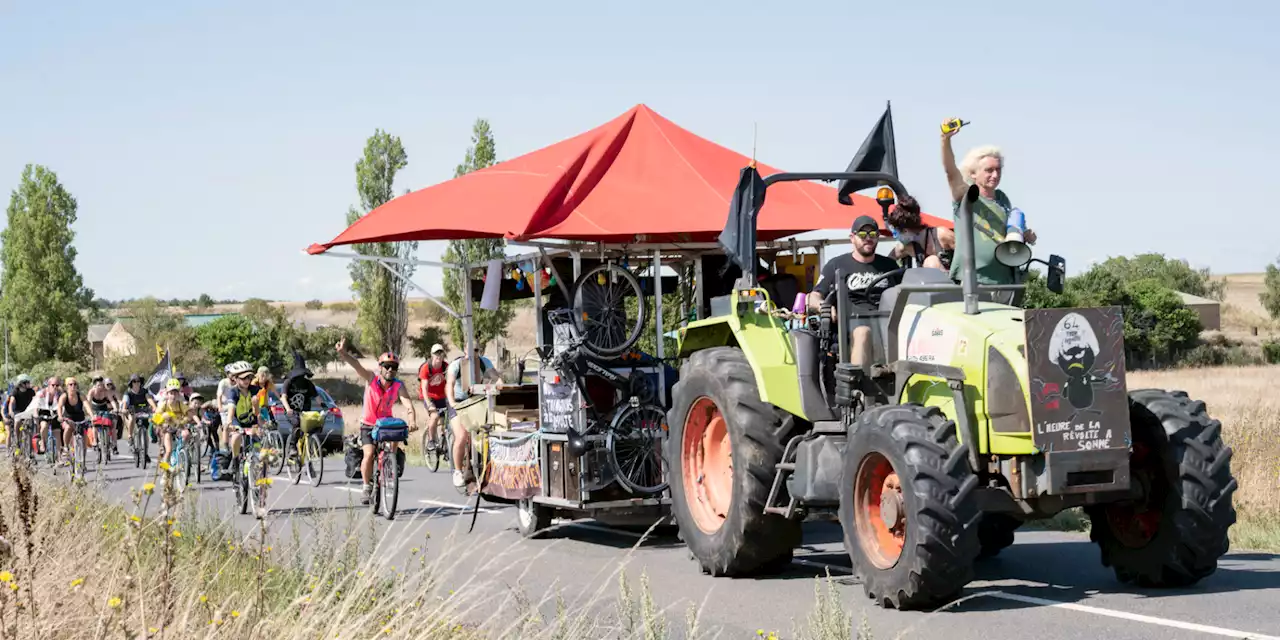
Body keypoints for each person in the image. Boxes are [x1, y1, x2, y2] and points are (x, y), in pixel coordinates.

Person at [940, 122, 1037, 288]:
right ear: (973, 173)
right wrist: (945, 140)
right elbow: (950, 171)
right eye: (989, 170)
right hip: (973, 282)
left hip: (1005, 282)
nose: (995, 174)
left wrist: (1026, 235)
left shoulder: (1003, 199)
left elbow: (1010, 233)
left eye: (998, 169)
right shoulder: (966, 195)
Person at [806, 215, 903, 376]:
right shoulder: (836, 265)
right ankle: (859, 391)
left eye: (872, 234)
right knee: (863, 332)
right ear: (852, 237)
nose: (868, 239)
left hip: (886, 326)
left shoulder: (889, 266)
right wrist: (824, 306)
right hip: (849, 329)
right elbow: (813, 296)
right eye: (862, 234)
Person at [334, 338, 418, 505]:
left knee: (396, 437)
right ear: (380, 367)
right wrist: (343, 354)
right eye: (386, 366)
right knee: (369, 453)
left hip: (385, 424)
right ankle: (366, 486)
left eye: (394, 367)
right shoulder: (372, 378)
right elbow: (357, 365)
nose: (390, 370)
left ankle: (390, 466)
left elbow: (408, 402)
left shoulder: (398, 385)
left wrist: (412, 419)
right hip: (368, 424)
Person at [445, 347, 500, 488]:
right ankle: (457, 471)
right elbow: (449, 384)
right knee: (462, 435)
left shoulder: (484, 362)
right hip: (458, 402)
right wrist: (452, 402)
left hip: (476, 400)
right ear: (464, 349)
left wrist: (500, 383)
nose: (473, 352)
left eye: (476, 349)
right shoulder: (456, 365)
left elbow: (495, 377)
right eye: (471, 349)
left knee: (486, 431)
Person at [884, 195, 954, 271]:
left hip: (955, 281)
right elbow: (888, 260)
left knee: (931, 262)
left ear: (905, 230)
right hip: (927, 281)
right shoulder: (907, 247)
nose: (895, 237)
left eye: (896, 232)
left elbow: (966, 252)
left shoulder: (942, 235)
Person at [417, 344, 450, 455]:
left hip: (442, 396)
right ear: (432, 355)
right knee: (434, 416)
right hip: (429, 396)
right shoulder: (426, 368)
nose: (439, 356)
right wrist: (429, 404)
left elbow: (450, 383)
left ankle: (445, 443)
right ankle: (431, 441)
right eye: (436, 353)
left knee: (446, 421)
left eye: (441, 353)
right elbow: (424, 388)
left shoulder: (446, 367)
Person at [152, 378, 191, 464]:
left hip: (179, 427)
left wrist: (185, 420)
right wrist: (163, 418)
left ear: (178, 394)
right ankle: (166, 472)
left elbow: (188, 414)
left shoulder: (180, 404)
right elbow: (155, 417)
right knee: (168, 451)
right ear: (167, 394)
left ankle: (183, 451)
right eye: (171, 393)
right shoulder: (164, 404)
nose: (173, 396)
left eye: (175, 393)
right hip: (167, 429)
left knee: (187, 434)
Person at [120, 374, 157, 459]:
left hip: (143, 411)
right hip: (131, 411)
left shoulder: (144, 391)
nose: (136, 383)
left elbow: (149, 399)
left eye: (138, 381)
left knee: (146, 430)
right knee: (132, 418)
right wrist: (124, 409)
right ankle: (130, 436)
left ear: (140, 382)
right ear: (131, 383)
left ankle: (145, 452)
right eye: (134, 381)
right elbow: (125, 402)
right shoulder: (128, 392)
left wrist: (154, 407)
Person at [56, 377, 89, 461]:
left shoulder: (80, 395)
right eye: (71, 384)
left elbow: (86, 405)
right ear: (67, 386)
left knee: (84, 441)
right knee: (68, 428)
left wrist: (92, 415)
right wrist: (60, 416)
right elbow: (59, 406)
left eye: (75, 384)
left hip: (80, 419)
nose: (73, 386)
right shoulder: (64, 396)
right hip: (68, 419)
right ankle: (66, 447)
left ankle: (83, 462)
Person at [86, 377, 120, 453]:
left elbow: (112, 401)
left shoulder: (106, 392)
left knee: (109, 423)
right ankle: (95, 441)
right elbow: (88, 403)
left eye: (102, 385)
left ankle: (109, 442)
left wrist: (115, 408)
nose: (101, 387)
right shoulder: (92, 392)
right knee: (94, 424)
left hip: (104, 409)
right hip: (95, 409)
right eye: (98, 385)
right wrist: (91, 413)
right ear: (95, 386)